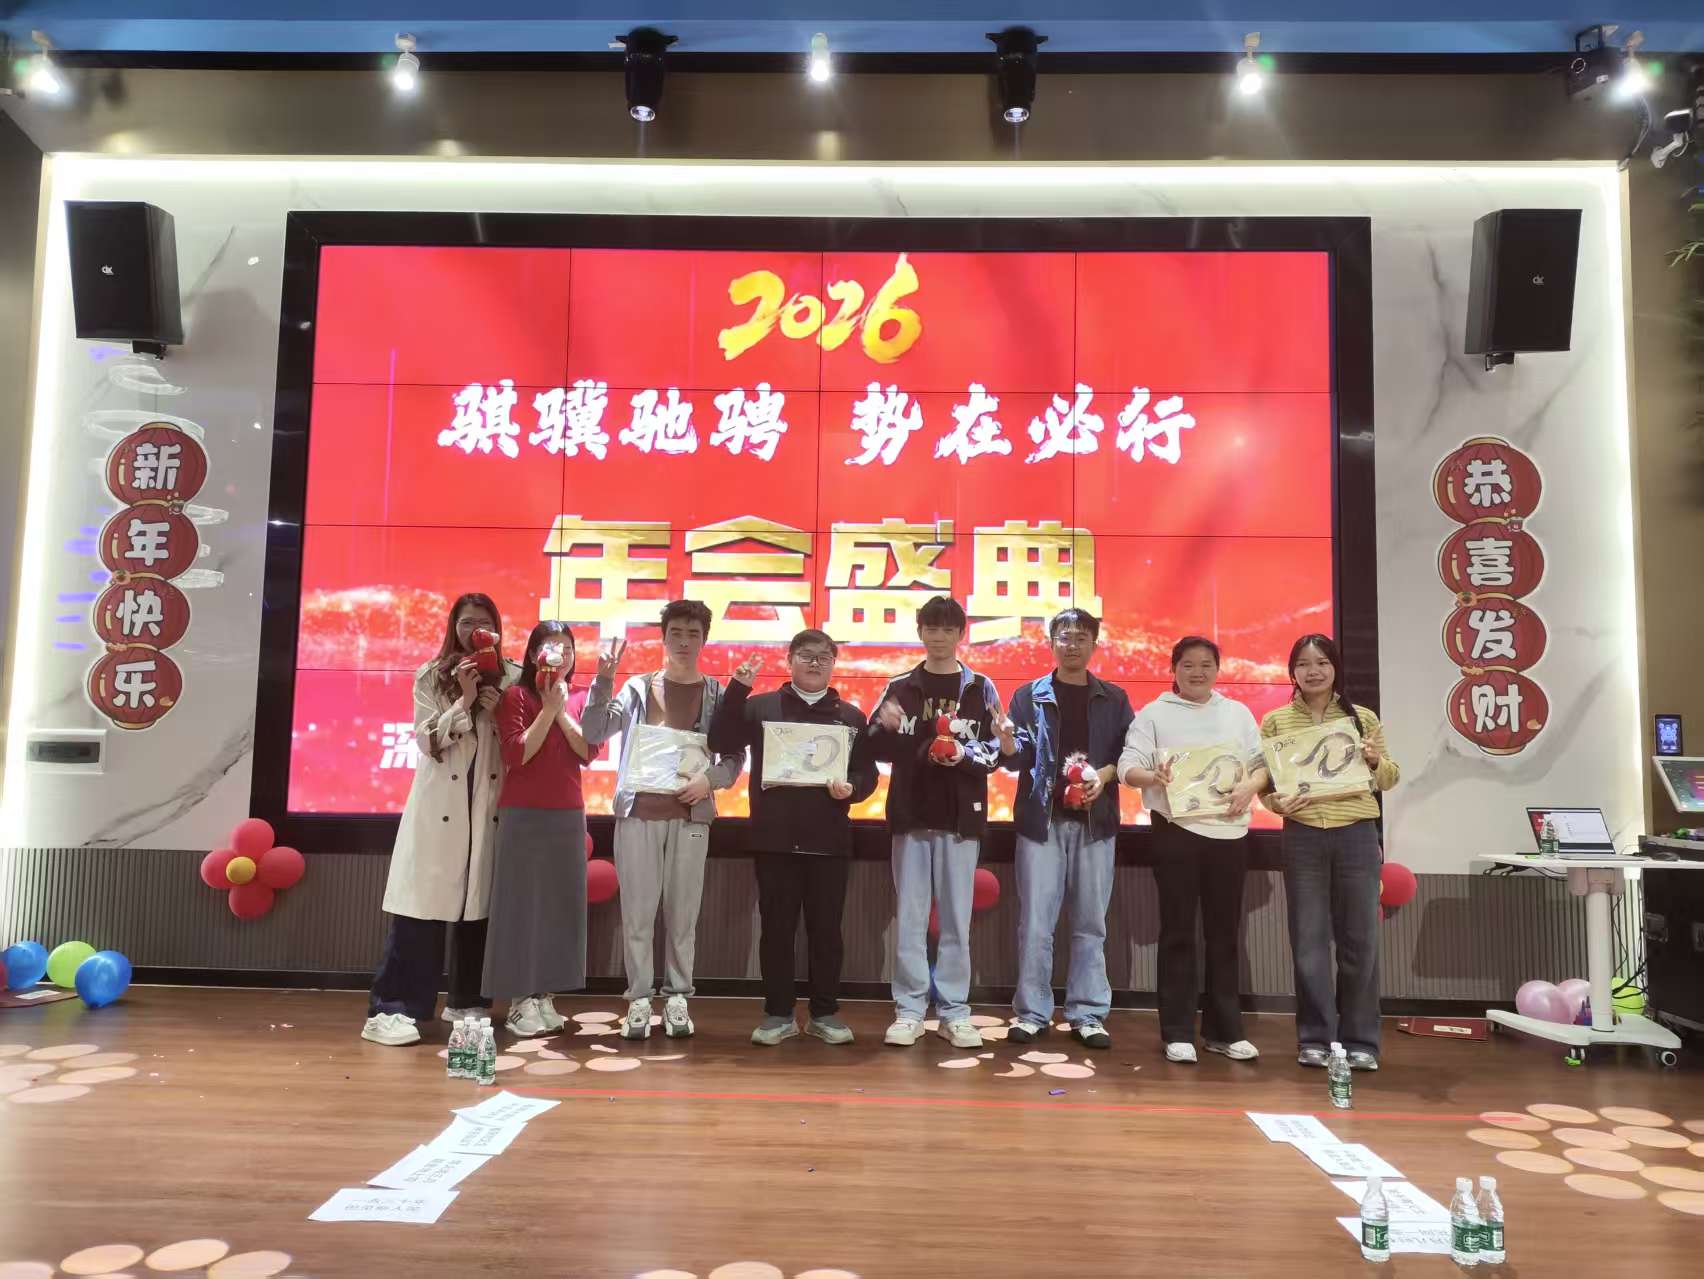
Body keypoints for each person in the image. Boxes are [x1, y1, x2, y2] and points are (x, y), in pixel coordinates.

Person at [708, 629, 879, 1047]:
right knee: (777, 930)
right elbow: (720, 741)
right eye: (806, 655)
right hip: (775, 839)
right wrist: (737, 689)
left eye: (823, 657)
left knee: (827, 931)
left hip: (829, 841)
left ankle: (824, 1013)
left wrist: (852, 789)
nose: (815, 663)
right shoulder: (760, 707)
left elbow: (868, 775)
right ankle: (778, 1014)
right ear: (789, 661)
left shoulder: (851, 717)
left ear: (834, 664)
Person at [582, 600, 744, 1041]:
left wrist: (709, 781)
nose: (684, 642)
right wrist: (603, 680)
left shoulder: (716, 693)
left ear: (704, 639)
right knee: (637, 912)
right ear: (663, 636)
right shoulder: (636, 688)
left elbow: (735, 756)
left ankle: (677, 996)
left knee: (683, 914)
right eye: (676, 633)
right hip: (639, 813)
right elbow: (594, 732)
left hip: (690, 816)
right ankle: (638, 998)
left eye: (693, 634)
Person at [363, 592, 511, 1047]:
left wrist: (495, 707)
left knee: (476, 909)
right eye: (466, 622)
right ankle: (391, 1008)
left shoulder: (511, 677)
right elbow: (427, 742)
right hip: (438, 809)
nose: (475, 631)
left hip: (486, 810)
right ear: (453, 627)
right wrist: (464, 700)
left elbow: (518, 742)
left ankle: (467, 1000)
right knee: (421, 912)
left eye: (484, 622)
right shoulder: (431, 675)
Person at [1120, 636, 1269, 1064]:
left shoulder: (1237, 713)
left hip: (1229, 835)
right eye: (1188, 664)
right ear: (1174, 669)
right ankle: (1177, 1032)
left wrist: (1249, 788)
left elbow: (1261, 766)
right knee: (1178, 932)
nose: (1197, 672)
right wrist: (1154, 777)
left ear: (1218, 670)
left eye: (1206, 664)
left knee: (1224, 935)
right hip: (1176, 832)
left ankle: (1224, 1031)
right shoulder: (1154, 714)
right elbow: (1128, 767)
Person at [868, 595, 1004, 1050]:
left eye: (948, 629)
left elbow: (997, 752)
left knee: (955, 921)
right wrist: (887, 729)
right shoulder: (900, 686)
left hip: (960, 818)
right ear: (920, 631)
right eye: (932, 628)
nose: (940, 637)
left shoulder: (980, 687)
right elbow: (871, 747)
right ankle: (909, 1010)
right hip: (911, 815)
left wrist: (962, 755)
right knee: (909, 919)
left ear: (961, 634)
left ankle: (953, 1012)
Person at [1260, 633, 1401, 1072]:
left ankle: (1361, 1041)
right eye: (1304, 664)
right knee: (1308, 942)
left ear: (1335, 667)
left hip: (1356, 835)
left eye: (1321, 662)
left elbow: (1390, 778)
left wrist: (1374, 761)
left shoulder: (1361, 717)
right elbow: (1267, 786)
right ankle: (1315, 1038)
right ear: (1293, 672)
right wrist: (1276, 804)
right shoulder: (1276, 722)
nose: (1313, 671)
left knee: (1360, 941)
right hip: (1303, 836)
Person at [1002, 608, 1133, 1049]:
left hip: (1096, 824)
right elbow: (1017, 758)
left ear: (1095, 644)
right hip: (1042, 823)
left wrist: (1104, 776)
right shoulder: (1029, 696)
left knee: (1090, 922)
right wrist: (1006, 742)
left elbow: (1129, 754)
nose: (1072, 644)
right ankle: (1032, 1012)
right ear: (1051, 643)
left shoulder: (1114, 698)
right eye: (1064, 636)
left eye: (1080, 637)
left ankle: (1088, 1013)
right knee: (1036, 923)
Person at [483, 621, 597, 1038]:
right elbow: (518, 754)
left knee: (559, 908)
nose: (559, 654)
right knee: (521, 906)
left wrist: (561, 709)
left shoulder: (580, 698)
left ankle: (543, 994)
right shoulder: (516, 696)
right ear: (533, 655)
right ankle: (519, 1000)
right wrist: (548, 709)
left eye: (567, 648)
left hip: (568, 814)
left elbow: (587, 750)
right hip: (523, 815)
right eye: (551, 646)